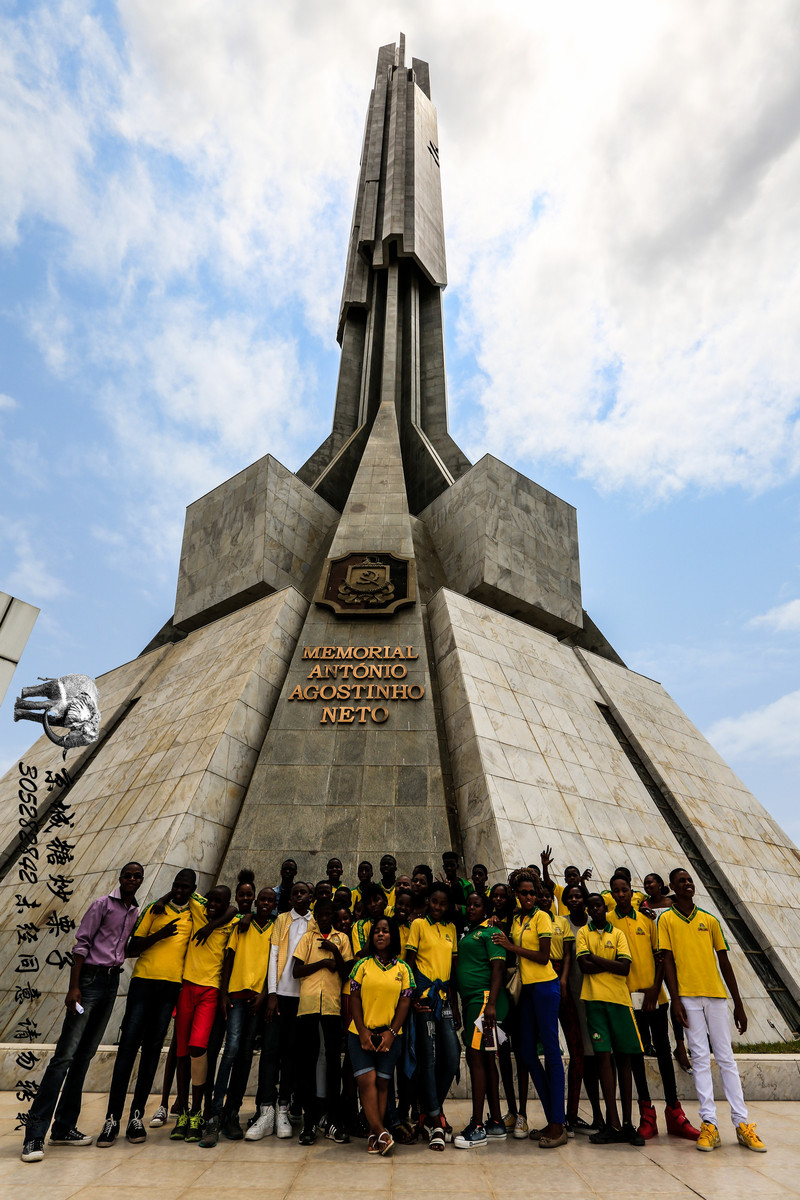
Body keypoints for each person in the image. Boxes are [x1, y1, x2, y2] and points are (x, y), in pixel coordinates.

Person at [21, 862, 145, 1163]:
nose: (131, 879)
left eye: (136, 876)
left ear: (140, 881)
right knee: (64, 1056)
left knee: (84, 1056)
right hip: (88, 981)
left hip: (111, 981)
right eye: (127, 875)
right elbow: (81, 946)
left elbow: (124, 949)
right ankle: (34, 1136)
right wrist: (73, 987)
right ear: (120, 878)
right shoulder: (103, 904)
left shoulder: (134, 912)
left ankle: (63, 1128)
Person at [659, 867, 766, 1153]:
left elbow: (725, 963)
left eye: (690, 880)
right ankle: (709, 1124)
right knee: (700, 1059)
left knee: (726, 1058)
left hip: (716, 996)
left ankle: (742, 1124)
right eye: (681, 881)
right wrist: (676, 998)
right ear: (672, 886)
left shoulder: (710, 919)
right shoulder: (666, 920)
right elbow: (667, 961)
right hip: (688, 998)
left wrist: (739, 1004)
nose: (687, 884)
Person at [100, 868, 207, 1147]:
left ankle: (137, 1116)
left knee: (151, 1052)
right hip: (143, 984)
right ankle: (111, 1118)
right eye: (177, 886)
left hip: (170, 988)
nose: (181, 891)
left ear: (193, 889)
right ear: (172, 886)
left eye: (186, 888)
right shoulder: (153, 910)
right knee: (127, 1050)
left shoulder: (195, 912)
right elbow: (131, 948)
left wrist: (177, 897)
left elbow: (222, 910)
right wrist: (158, 935)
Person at [609, 875, 699, 1141]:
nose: (621, 894)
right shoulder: (609, 923)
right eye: (616, 891)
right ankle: (647, 1116)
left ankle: (675, 1112)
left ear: (631, 892)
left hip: (655, 997)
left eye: (625, 889)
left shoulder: (647, 919)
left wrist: (653, 988)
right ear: (612, 894)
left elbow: (661, 957)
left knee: (662, 1054)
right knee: (636, 1056)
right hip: (627, 1000)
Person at [493, 869, 566, 1148]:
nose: (529, 897)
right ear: (516, 893)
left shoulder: (542, 917)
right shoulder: (518, 918)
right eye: (523, 892)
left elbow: (544, 955)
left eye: (532, 893)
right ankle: (552, 1118)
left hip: (546, 987)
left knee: (551, 1051)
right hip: (526, 990)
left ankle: (558, 1124)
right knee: (525, 1051)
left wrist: (511, 945)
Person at [199, 885, 276, 1146]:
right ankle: (214, 1114)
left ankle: (232, 1112)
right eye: (262, 899)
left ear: (274, 904)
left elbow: (274, 965)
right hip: (235, 997)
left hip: (256, 999)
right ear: (255, 901)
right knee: (230, 1050)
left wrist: (265, 994)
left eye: (270, 900)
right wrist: (223, 993)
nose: (265, 903)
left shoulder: (275, 929)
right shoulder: (241, 925)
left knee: (244, 1054)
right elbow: (228, 959)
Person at [169, 885, 238, 1144]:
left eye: (219, 902)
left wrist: (212, 926)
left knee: (199, 1048)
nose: (213, 905)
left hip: (209, 991)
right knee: (182, 1052)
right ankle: (184, 1113)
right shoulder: (198, 908)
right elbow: (191, 894)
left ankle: (198, 1111)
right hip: (186, 987)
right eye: (211, 900)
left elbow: (237, 912)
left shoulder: (229, 923)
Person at [576, 892, 644, 1146]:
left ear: (605, 908)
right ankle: (612, 1123)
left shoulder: (617, 934)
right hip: (594, 1001)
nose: (594, 910)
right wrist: (607, 962)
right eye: (590, 906)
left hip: (619, 1000)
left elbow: (625, 967)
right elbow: (584, 966)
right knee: (604, 1057)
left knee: (624, 1059)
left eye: (598, 906)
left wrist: (595, 958)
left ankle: (628, 1124)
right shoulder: (583, 932)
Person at [348, 917, 414, 1156]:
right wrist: (363, 1032)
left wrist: (391, 1033)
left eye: (385, 931)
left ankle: (375, 1136)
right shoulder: (361, 965)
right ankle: (381, 1131)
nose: (380, 934)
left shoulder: (403, 969)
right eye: (376, 931)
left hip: (390, 1035)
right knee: (366, 1082)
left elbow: (405, 1004)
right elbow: (353, 999)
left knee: (383, 1083)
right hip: (360, 1034)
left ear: (392, 936)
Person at [292, 897, 353, 1145]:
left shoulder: (342, 938)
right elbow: (296, 971)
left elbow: (346, 971)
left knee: (331, 1061)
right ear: (316, 916)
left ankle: (332, 1119)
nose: (325, 918)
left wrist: (335, 952)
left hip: (331, 1006)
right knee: (307, 1060)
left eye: (330, 915)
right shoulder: (308, 938)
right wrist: (322, 962)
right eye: (321, 915)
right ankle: (309, 1123)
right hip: (307, 1005)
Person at [405, 883, 461, 1150]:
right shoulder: (418, 925)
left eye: (443, 903)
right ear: (428, 901)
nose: (438, 907)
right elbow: (409, 960)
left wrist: (456, 1005)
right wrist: (414, 995)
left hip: (445, 999)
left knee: (451, 1056)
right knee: (427, 1058)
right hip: (424, 997)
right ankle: (437, 1122)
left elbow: (453, 968)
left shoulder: (451, 929)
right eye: (434, 902)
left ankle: (429, 1112)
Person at [454, 891, 508, 1148]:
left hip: (483, 1001)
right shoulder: (472, 932)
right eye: (469, 904)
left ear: (486, 910)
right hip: (473, 1002)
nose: (471, 908)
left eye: (477, 905)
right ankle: (495, 1121)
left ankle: (477, 1125)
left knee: (476, 1056)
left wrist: (492, 1005)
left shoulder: (490, 933)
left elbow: (498, 968)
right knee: (487, 1058)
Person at [262, 880, 316, 1138]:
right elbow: (273, 955)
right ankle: (265, 1109)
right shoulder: (282, 919)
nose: (298, 896)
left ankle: (283, 1107)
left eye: (303, 892)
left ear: (310, 896)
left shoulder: (316, 923)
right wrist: (272, 993)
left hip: (302, 997)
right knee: (270, 1050)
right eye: (294, 893)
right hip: (280, 995)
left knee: (292, 1053)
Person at [562, 883, 604, 1132]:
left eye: (579, 896)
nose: (575, 900)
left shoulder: (594, 922)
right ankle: (580, 1114)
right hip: (575, 997)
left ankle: (601, 1114)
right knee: (583, 1054)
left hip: (598, 995)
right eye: (571, 897)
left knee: (597, 1055)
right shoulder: (563, 924)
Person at [643, 871, 692, 1075]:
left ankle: (680, 1045)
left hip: (672, 956)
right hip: (653, 958)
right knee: (654, 1000)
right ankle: (650, 1042)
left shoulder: (672, 902)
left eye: (651, 883)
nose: (647, 886)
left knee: (676, 998)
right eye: (645, 884)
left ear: (660, 884)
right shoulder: (644, 907)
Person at [540, 846, 591, 915]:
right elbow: (548, 882)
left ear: (579, 878)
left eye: (574, 875)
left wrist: (583, 882)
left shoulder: (582, 892)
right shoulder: (561, 891)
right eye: (569, 876)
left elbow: (589, 901)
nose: (572, 878)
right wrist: (545, 867)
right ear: (565, 880)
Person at [351, 883, 388, 955]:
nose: (373, 905)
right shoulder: (360, 925)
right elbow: (362, 954)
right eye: (369, 902)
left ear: (385, 901)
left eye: (376, 900)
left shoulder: (392, 923)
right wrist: (374, 929)